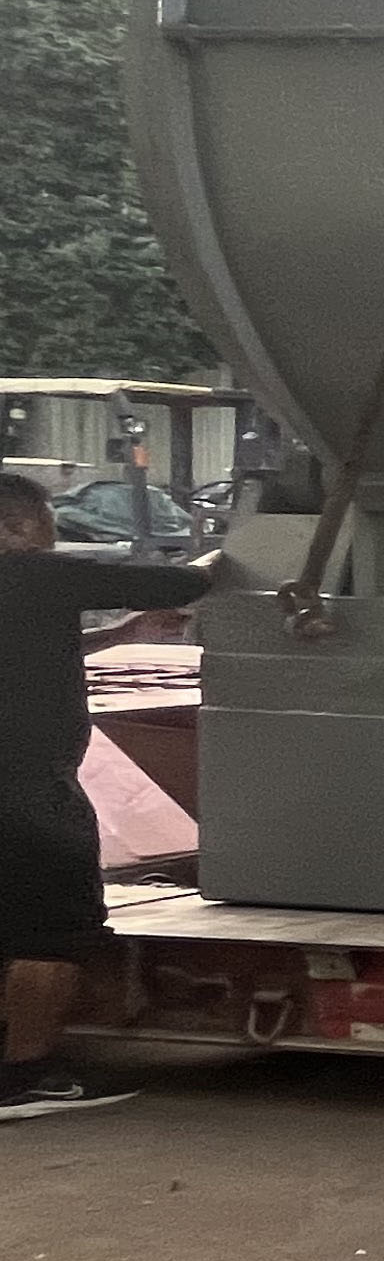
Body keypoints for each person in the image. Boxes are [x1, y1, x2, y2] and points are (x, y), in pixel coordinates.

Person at [0, 472, 232, 1117]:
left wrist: (122, 633)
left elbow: (28, 646)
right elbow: (182, 583)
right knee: (51, 934)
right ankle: (25, 1079)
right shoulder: (36, 573)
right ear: (20, 526)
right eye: (48, 526)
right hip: (26, 796)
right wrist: (229, 552)